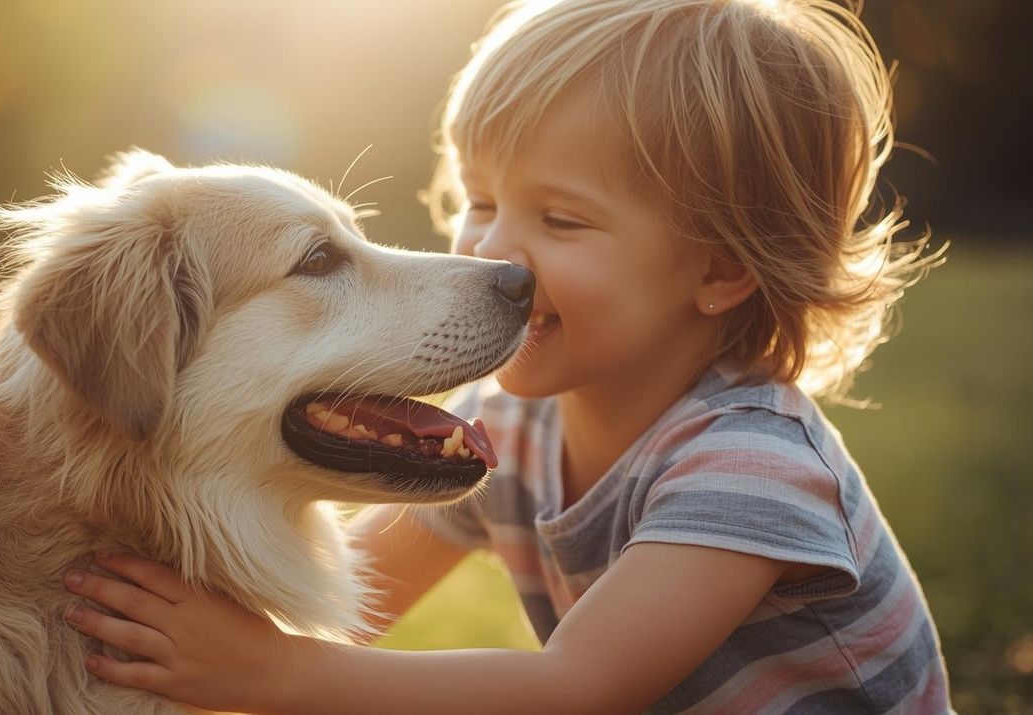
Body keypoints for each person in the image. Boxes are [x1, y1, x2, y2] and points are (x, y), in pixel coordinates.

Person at [60, 0, 952, 711]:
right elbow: (365, 593)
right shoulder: (513, 421)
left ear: (719, 269)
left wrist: (274, 674)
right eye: (480, 200)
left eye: (560, 219)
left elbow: (578, 688)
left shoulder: (751, 466)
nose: (488, 252)